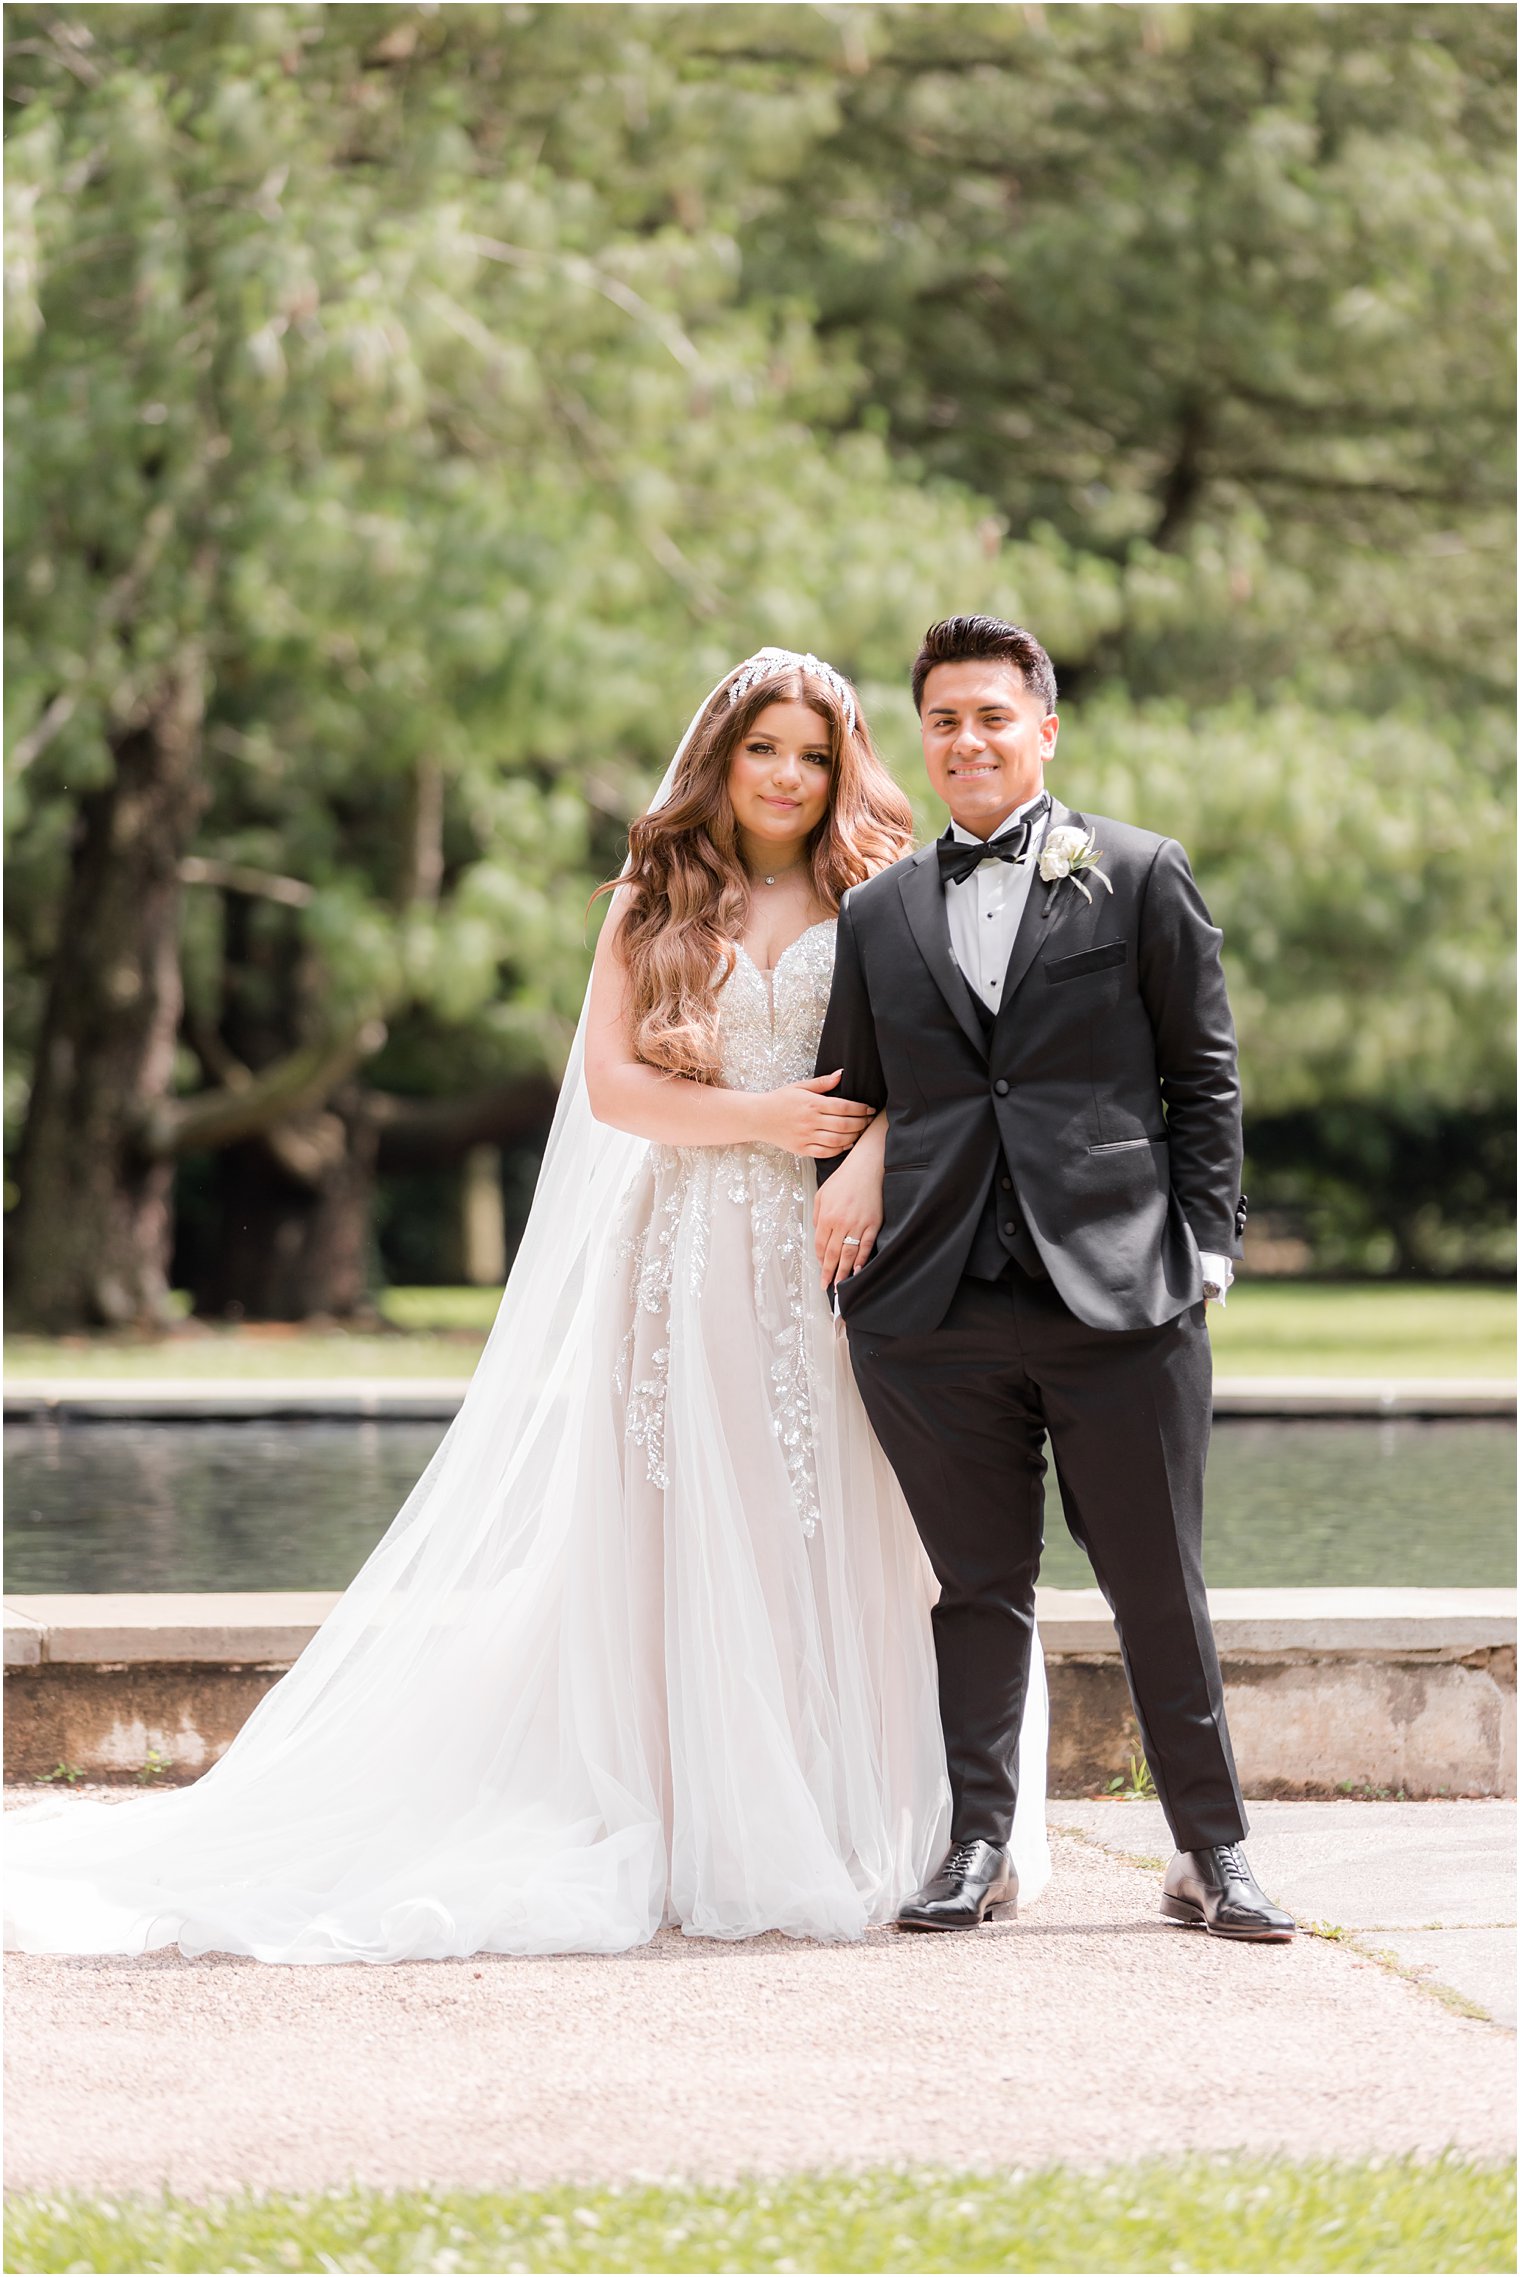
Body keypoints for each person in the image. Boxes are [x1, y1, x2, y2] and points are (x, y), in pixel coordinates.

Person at [5, 648, 1050, 1964]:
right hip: (687, 1255)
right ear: (720, 761)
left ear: (843, 768)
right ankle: (702, 1817)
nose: (786, 776)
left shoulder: (885, 890)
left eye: (811, 754)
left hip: (841, 1251)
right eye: (762, 749)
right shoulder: (654, 897)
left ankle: (876, 1817)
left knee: (841, 1517)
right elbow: (614, 1090)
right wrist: (767, 1117)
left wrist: (869, 1160)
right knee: (699, 1524)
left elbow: (943, 1064)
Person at [816, 615, 1294, 1941]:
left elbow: (1204, 1073)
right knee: (976, 1587)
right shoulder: (879, 912)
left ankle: (1215, 1851)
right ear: (926, 739)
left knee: (1158, 1584)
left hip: (1124, 1298)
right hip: (931, 1310)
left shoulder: (1139, 875)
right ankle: (977, 1847)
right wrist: (852, 1176)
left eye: (992, 715)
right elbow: (857, 1091)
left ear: (1045, 727)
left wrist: (1205, 1249)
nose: (968, 738)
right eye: (945, 720)